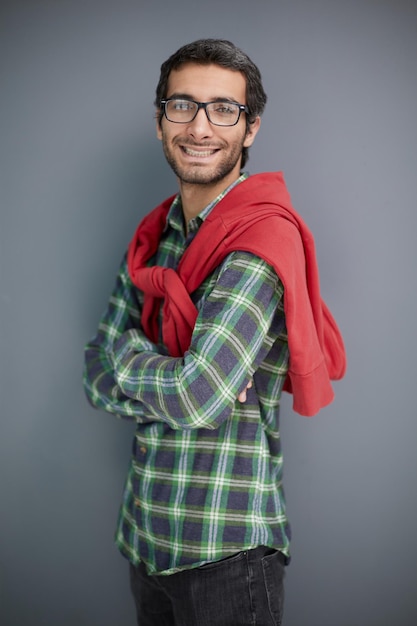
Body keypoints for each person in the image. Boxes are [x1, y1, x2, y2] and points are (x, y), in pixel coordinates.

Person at [83, 38, 346, 626]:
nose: (201, 127)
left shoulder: (258, 246)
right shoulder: (157, 233)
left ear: (250, 128)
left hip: (224, 550)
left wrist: (128, 353)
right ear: (160, 121)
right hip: (146, 534)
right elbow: (91, 375)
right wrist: (162, 372)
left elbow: (197, 397)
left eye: (223, 109)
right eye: (183, 106)